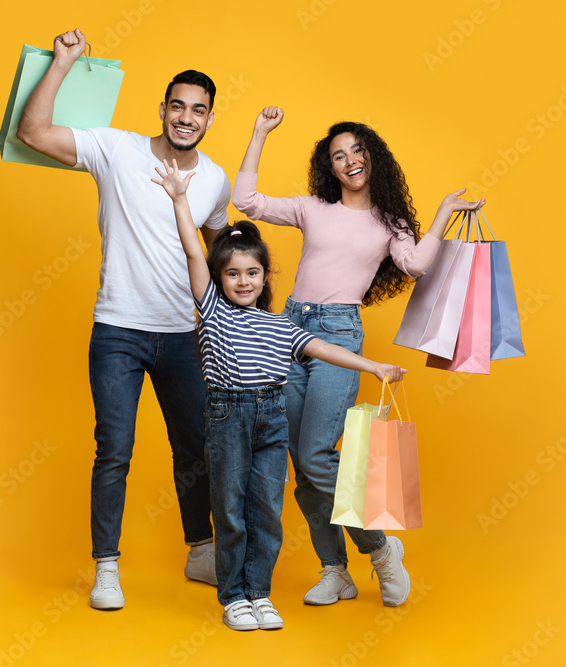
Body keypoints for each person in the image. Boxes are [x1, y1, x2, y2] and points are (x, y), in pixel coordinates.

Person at [232, 107, 485, 607]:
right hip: (289, 331)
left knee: (316, 456)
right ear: (329, 167)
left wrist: (441, 214)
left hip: (339, 335)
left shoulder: (388, 222)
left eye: (356, 151)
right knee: (303, 469)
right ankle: (336, 572)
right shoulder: (312, 208)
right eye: (337, 155)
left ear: (373, 157)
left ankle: (381, 548)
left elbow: (414, 264)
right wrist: (260, 132)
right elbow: (247, 202)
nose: (348, 160)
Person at [15, 28, 231, 610]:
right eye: (178, 106)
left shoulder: (214, 180)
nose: (187, 117)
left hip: (184, 335)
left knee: (195, 445)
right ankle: (106, 568)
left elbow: (212, 252)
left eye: (199, 111)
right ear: (161, 109)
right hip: (118, 330)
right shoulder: (115, 149)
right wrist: (62, 64)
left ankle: (202, 551)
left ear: (209, 120)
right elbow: (31, 132)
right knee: (114, 447)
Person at [152, 158, 406, 630]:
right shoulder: (211, 310)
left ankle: (259, 593)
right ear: (219, 280)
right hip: (227, 418)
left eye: (252, 273)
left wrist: (374, 366)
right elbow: (193, 253)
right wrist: (180, 199)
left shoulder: (279, 326)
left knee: (267, 510)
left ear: (266, 277)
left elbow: (325, 348)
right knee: (230, 510)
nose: (243, 281)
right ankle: (234, 598)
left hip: (270, 418)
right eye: (233, 274)